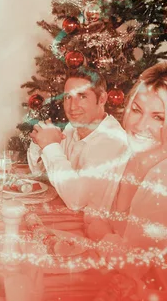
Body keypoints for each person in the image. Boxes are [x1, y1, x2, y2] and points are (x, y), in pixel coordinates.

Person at [86, 62, 167, 254]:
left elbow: (142, 266)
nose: (140, 126)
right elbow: (91, 210)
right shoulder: (124, 155)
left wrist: (102, 235)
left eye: (158, 117)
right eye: (137, 110)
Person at [27, 70, 128, 213]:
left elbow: (76, 201)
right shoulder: (72, 128)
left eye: (82, 96)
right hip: (67, 216)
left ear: (102, 99)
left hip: (95, 228)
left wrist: (51, 146)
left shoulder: (111, 140)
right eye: (68, 97)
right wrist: (41, 141)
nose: (73, 107)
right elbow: (40, 174)